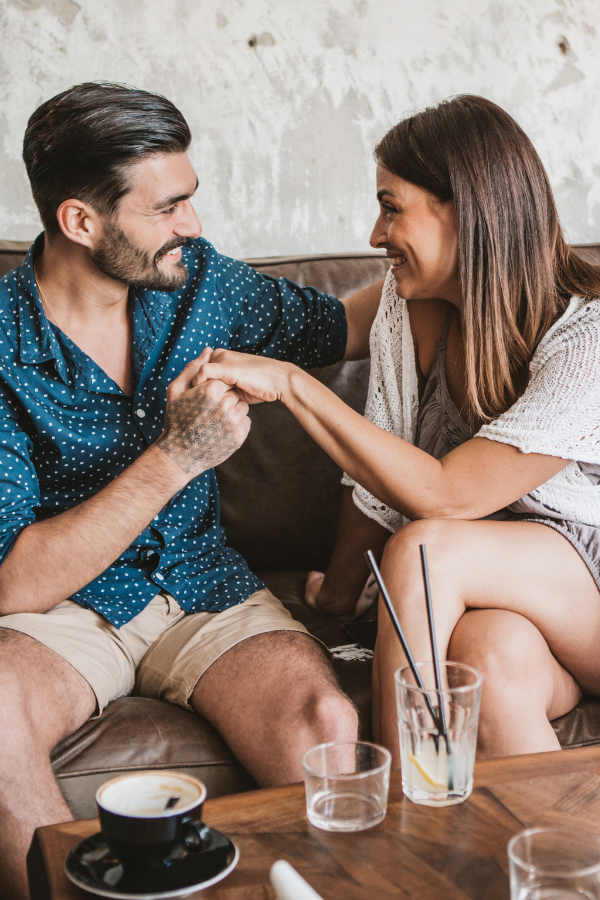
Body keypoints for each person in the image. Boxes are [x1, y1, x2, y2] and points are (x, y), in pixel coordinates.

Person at [0, 82, 383, 900]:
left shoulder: (203, 282)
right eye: (168, 207)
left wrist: (457, 256)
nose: (193, 226)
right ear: (80, 221)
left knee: (325, 723)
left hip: (203, 587)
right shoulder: (2, 345)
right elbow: (16, 581)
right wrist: (177, 459)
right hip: (63, 609)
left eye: (191, 200)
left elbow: (340, 327)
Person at [197, 95, 600, 768]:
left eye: (391, 206)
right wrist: (331, 594)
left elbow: (442, 496)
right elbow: (381, 475)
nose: (375, 234)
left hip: (587, 587)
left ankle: (398, 828)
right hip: (511, 604)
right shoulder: (412, 309)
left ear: (466, 211)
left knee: (423, 552)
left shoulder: (587, 340)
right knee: (485, 671)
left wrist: (294, 385)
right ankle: (557, 871)